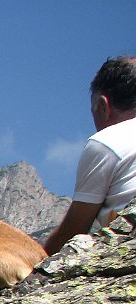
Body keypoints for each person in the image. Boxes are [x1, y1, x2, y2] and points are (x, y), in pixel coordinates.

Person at [44, 56, 136, 255]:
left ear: (104, 106)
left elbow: (74, 230)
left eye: (93, 112)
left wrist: (33, 267)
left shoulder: (107, 141)